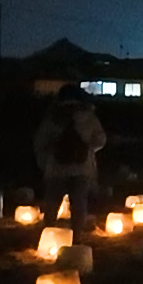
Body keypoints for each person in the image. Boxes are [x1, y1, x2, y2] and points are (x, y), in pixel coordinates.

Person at [33, 84, 106, 230]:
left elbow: (40, 142)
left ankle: (49, 232)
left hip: (56, 168)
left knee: (52, 203)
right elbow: (100, 140)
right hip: (82, 168)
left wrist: (45, 162)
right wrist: (87, 147)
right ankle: (77, 236)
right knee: (79, 203)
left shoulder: (53, 118)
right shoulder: (88, 117)